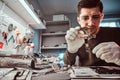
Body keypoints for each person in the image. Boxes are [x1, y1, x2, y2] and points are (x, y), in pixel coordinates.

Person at [63, 0, 120, 66]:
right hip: (85, 75)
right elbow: (67, 64)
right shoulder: (76, 37)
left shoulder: (117, 33)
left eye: (95, 17)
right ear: (79, 20)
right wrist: (71, 50)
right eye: (85, 18)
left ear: (101, 17)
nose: (91, 23)